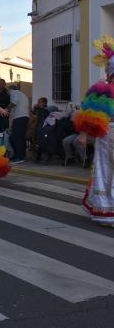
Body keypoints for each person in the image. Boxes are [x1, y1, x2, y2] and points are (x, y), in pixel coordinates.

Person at [74, 35, 114, 226]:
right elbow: (91, 114)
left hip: (108, 135)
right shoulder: (102, 89)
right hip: (107, 136)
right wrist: (83, 134)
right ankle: (106, 209)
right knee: (105, 170)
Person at [7, 85, 30, 164]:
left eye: (8, 90)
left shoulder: (14, 92)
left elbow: (14, 102)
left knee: (15, 138)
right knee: (20, 138)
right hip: (25, 117)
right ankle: (20, 155)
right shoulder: (24, 95)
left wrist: (6, 109)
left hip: (19, 118)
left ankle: (19, 157)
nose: (8, 93)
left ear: (11, 89)